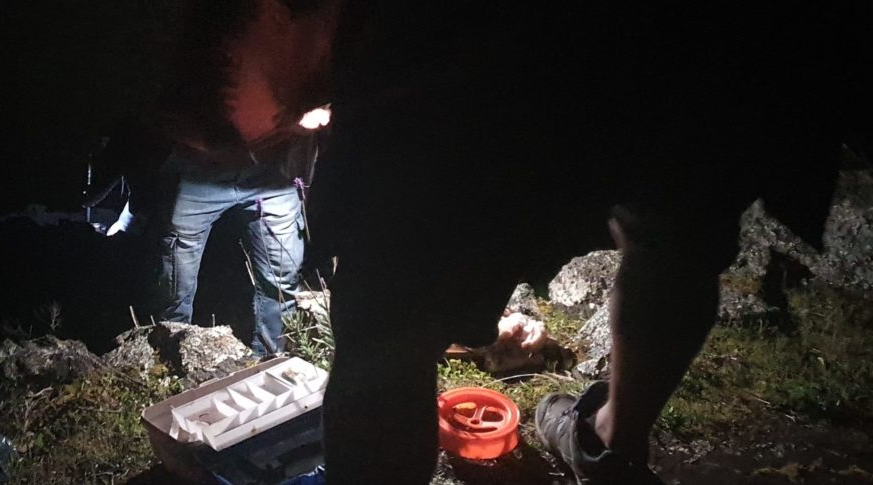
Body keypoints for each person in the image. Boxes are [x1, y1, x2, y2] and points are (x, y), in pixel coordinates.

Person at [310, 2, 869, 483]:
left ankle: (605, 444)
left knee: (386, 315)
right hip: (701, 42)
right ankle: (612, 444)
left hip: (478, 51)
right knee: (680, 222)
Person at [85, 0, 337, 354]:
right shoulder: (199, 31)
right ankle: (168, 364)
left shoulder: (309, 34)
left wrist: (312, 113)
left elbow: (328, 88)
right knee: (172, 291)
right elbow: (157, 109)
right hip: (196, 175)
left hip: (273, 179)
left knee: (281, 283)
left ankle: (271, 362)